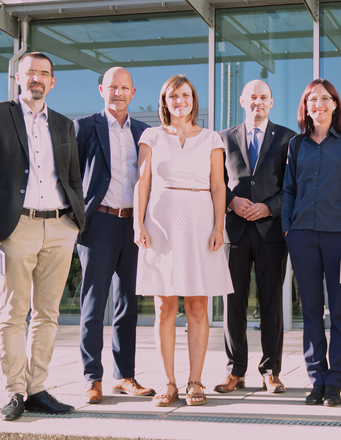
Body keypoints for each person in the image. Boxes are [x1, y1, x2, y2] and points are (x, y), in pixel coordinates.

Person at [0, 52, 86, 421]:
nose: (37, 78)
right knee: (13, 312)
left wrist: (75, 221)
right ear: (18, 77)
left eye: (44, 73)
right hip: (15, 225)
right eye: (30, 73)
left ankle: (37, 388)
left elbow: (72, 178)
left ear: (52, 81)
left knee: (48, 314)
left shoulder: (65, 125)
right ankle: (15, 390)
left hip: (59, 226)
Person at [134, 75, 233, 407]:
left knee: (198, 305)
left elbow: (219, 186)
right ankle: (168, 382)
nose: (180, 101)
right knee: (164, 307)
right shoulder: (151, 136)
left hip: (201, 222)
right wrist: (138, 223)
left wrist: (219, 226)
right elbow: (142, 183)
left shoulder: (211, 138)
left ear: (194, 100)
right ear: (165, 101)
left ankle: (194, 381)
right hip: (160, 223)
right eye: (173, 96)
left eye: (186, 95)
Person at [282, 78, 341, 407]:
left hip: (340, 238)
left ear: (334, 104)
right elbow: (289, 191)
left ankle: (336, 381)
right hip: (302, 237)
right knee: (312, 312)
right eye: (311, 100)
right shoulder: (296, 145)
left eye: (324, 98)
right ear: (305, 107)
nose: (317, 104)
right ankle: (316, 377)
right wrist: (289, 229)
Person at [74, 67, 154, 404]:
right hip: (99, 225)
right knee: (93, 305)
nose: (118, 93)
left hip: (133, 226)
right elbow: (69, 176)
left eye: (124, 88)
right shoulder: (84, 127)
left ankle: (125, 376)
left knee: (128, 306)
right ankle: (93, 378)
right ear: (101, 90)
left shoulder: (144, 132)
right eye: (112, 87)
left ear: (133, 93)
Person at [215, 80, 295, 394]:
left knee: (272, 302)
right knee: (233, 302)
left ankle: (271, 370)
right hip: (234, 229)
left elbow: (292, 186)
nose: (257, 102)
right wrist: (232, 202)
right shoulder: (222, 138)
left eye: (263, 97)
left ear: (271, 102)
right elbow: (216, 180)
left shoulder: (288, 138)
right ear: (242, 101)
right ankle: (235, 371)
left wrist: (269, 208)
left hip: (271, 231)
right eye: (252, 97)